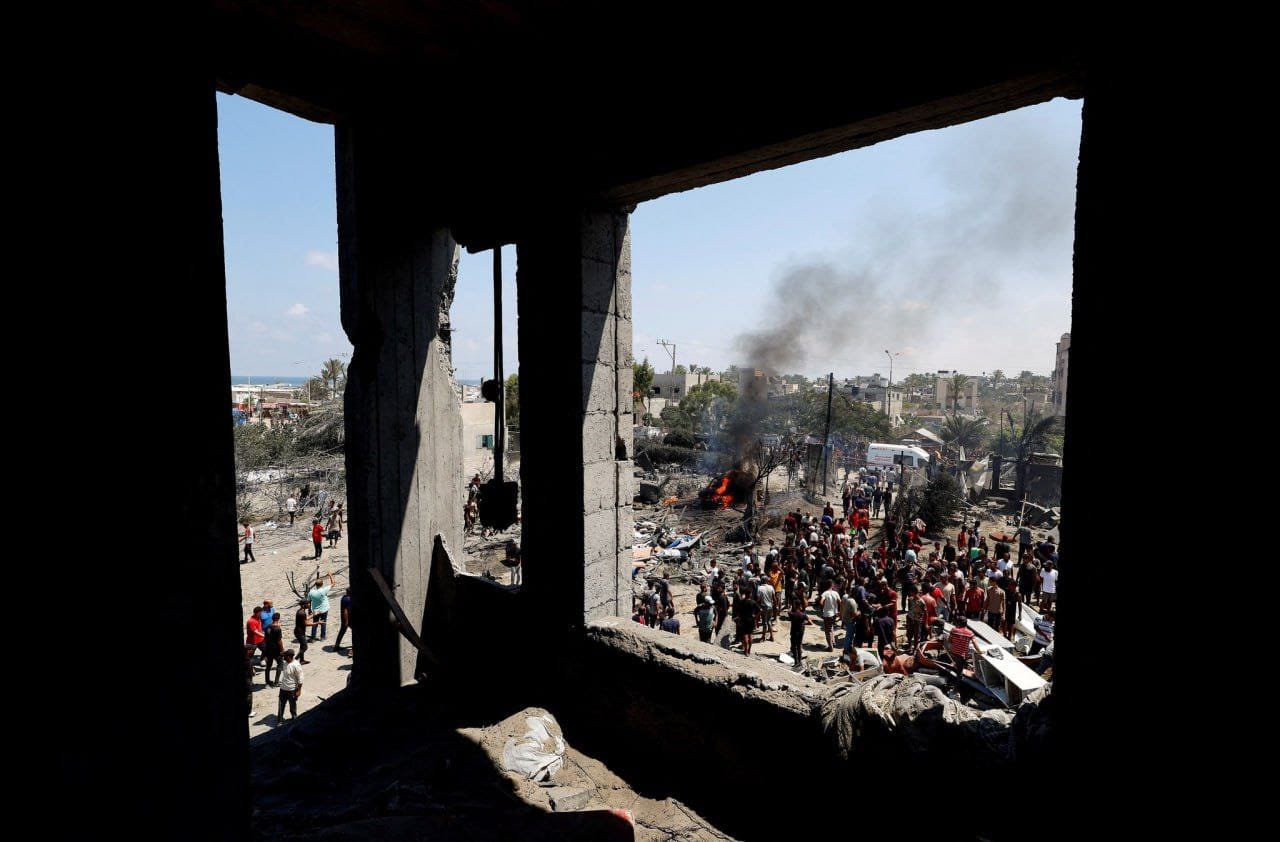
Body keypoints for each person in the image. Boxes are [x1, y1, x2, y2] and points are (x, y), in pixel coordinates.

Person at [276, 649, 304, 725]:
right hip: (283, 688)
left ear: (288, 657)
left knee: (292, 705)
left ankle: (294, 719)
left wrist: (299, 690)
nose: (283, 657)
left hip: (292, 689)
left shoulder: (296, 665)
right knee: (281, 704)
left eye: (284, 656)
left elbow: (301, 679)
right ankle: (280, 720)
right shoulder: (285, 663)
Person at [308, 572, 334, 641]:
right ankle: (322, 637)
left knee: (314, 623)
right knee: (323, 622)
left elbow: (309, 601)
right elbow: (333, 584)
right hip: (324, 609)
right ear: (322, 584)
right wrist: (330, 575)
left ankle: (313, 637)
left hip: (315, 610)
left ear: (315, 584)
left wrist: (309, 610)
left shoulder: (311, 592)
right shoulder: (323, 590)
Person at [788, 597, 812, 668]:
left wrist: (790, 607)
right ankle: (800, 662)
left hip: (793, 632)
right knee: (799, 646)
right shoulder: (803, 614)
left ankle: (796, 662)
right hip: (801, 632)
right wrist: (803, 623)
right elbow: (810, 622)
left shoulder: (792, 614)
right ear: (800, 605)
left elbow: (788, 612)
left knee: (794, 647)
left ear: (795, 605)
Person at [262, 613, 285, 686]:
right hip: (276, 650)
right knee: (280, 664)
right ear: (278, 619)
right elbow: (279, 641)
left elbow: (265, 639)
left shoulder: (268, 627)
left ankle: (267, 681)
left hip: (268, 649)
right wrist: (282, 650)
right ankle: (276, 682)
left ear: (272, 618)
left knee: (268, 665)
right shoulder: (277, 629)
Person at [820, 581, 841, 652]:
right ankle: (833, 642)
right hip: (834, 613)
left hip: (827, 614)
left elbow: (821, 602)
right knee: (831, 627)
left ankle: (830, 647)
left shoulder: (825, 593)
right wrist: (839, 610)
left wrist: (823, 609)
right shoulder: (836, 593)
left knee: (828, 631)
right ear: (832, 585)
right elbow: (840, 602)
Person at [840, 585, 860, 656]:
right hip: (850, 621)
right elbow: (854, 614)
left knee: (848, 635)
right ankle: (846, 650)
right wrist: (859, 612)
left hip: (846, 619)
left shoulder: (848, 599)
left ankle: (847, 649)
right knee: (849, 636)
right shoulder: (852, 602)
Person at [756, 578, 776, 642]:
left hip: (764, 607)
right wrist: (775, 606)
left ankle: (763, 637)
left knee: (764, 623)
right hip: (770, 606)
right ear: (767, 581)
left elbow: (758, 599)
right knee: (769, 621)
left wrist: (757, 607)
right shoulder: (771, 587)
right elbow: (774, 598)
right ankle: (772, 636)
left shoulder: (760, 588)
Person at [294, 599, 313, 664]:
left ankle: (302, 660)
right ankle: (294, 660)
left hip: (300, 631)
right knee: (305, 647)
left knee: (302, 646)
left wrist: (314, 615)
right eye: (308, 604)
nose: (309, 605)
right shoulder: (302, 613)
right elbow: (306, 623)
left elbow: (305, 619)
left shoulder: (301, 611)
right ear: (304, 605)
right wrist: (317, 623)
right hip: (299, 633)